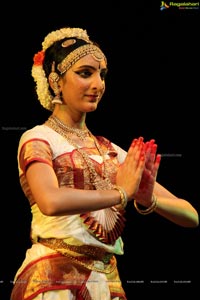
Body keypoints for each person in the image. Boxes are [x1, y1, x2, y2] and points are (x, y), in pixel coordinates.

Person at [10, 26, 199, 300]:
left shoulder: (110, 150)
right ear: (55, 81)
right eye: (85, 73)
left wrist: (149, 200)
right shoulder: (39, 137)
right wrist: (121, 194)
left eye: (102, 74)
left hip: (106, 283)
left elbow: (191, 216)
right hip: (53, 279)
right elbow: (49, 201)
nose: (98, 84)